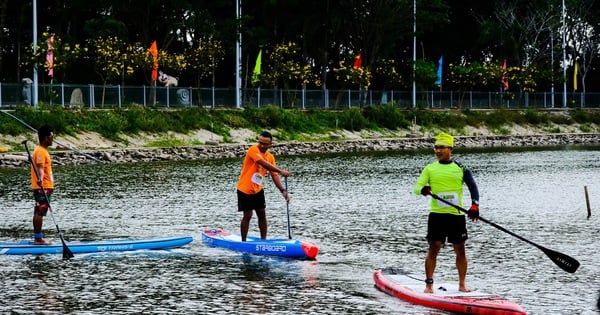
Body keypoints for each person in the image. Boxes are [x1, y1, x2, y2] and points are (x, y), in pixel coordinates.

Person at [413, 132, 480, 293]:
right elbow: (416, 187)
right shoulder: (430, 168)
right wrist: (424, 190)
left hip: (456, 216)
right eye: (436, 147)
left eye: (441, 147)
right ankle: (429, 285)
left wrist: (475, 206)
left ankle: (462, 285)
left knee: (460, 249)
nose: (437, 150)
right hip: (437, 215)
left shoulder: (461, 168)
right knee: (434, 247)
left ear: (451, 149)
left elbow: (473, 187)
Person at [237, 131, 290, 241]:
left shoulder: (270, 157)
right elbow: (262, 163)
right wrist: (281, 171)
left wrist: (283, 190)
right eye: (260, 142)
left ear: (270, 144)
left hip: (258, 189)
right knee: (248, 215)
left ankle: (264, 241)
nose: (262, 145)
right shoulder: (253, 150)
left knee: (262, 215)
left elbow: (274, 175)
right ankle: (243, 241)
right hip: (245, 189)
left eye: (265, 144)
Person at [30, 125, 56, 245]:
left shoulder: (43, 150)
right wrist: (40, 180)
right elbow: (40, 168)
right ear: (46, 137)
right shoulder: (40, 151)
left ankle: (38, 237)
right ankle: (38, 239)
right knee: (40, 212)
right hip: (43, 187)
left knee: (39, 211)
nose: (53, 138)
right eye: (51, 136)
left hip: (45, 186)